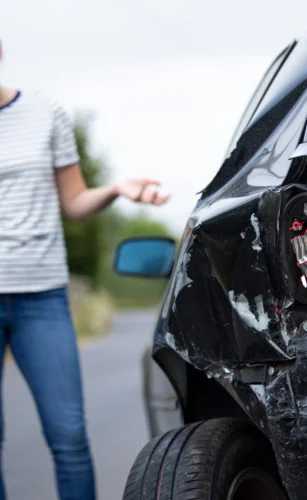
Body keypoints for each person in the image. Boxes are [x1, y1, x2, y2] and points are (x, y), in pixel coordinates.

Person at [0, 41, 169, 500]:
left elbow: (73, 203)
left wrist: (115, 188)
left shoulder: (42, 112)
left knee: (69, 436)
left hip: (43, 297)